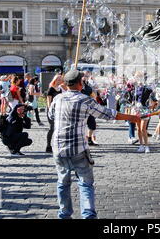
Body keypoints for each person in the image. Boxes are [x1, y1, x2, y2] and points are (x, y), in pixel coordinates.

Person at [48, 69, 140, 219]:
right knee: (85, 184)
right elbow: (108, 114)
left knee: (63, 183)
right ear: (80, 84)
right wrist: (131, 117)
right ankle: (88, 216)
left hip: (59, 148)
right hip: (78, 149)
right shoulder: (84, 100)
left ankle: (64, 215)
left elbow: (51, 116)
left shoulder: (58, 99)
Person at [46, 74, 64, 153]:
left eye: (61, 79)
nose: (60, 80)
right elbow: (48, 101)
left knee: (59, 128)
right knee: (52, 128)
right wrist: (50, 110)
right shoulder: (51, 89)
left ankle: (57, 145)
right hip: (51, 111)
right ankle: (48, 145)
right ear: (55, 80)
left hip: (58, 110)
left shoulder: (60, 89)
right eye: (58, 79)